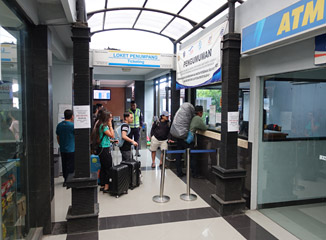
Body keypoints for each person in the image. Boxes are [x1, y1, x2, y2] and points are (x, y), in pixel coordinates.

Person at [93, 110, 115, 193]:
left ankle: (102, 184)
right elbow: (112, 135)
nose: (111, 119)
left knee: (103, 167)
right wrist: (110, 126)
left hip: (101, 148)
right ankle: (107, 186)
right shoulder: (104, 126)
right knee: (108, 167)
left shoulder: (98, 124)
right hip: (104, 149)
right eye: (110, 117)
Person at [56, 109, 75, 187]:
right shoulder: (72, 126)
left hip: (63, 148)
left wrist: (61, 144)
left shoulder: (59, 125)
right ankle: (70, 181)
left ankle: (65, 180)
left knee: (64, 164)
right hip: (71, 149)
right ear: (72, 116)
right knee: (71, 165)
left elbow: (58, 136)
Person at [189, 105, 208, 178]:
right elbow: (204, 128)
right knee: (194, 157)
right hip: (192, 139)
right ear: (200, 112)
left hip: (188, 139)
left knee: (192, 156)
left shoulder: (193, 117)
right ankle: (195, 174)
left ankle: (193, 171)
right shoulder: (198, 118)